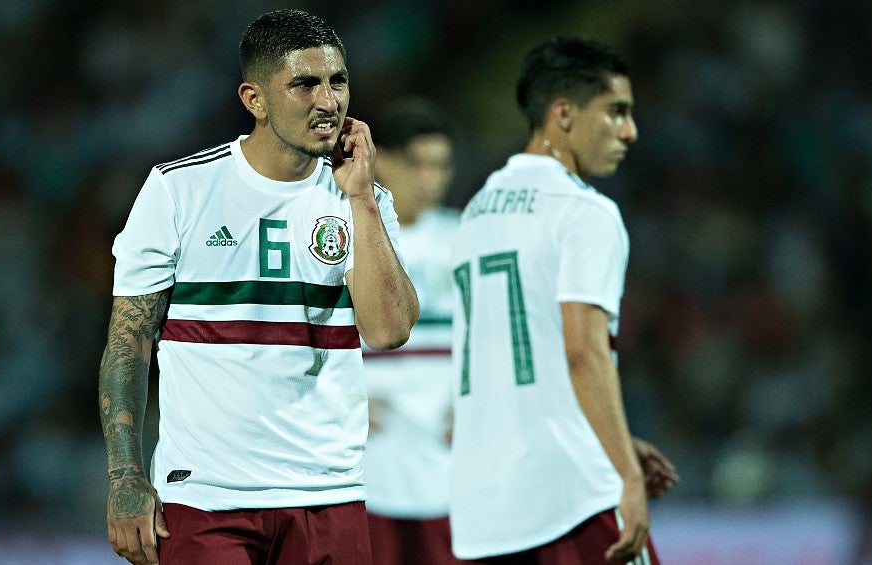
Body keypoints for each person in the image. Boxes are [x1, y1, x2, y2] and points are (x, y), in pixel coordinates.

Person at [98, 9, 418, 565]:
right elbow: (129, 342)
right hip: (207, 498)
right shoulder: (179, 192)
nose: (328, 101)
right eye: (304, 84)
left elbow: (388, 331)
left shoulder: (364, 200)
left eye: (337, 81)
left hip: (329, 495)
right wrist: (125, 475)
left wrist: (362, 196)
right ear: (254, 99)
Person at [448, 37, 678, 564]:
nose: (630, 132)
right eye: (616, 111)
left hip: (486, 508)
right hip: (573, 498)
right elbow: (583, 352)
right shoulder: (583, 213)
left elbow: (516, 362)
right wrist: (626, 473)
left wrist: (614, 435)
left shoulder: (475, 213)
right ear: (564, 113)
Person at [361, 97, 464, 565]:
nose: (431, 179)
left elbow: (493, 339)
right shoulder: (344, 234)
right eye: (418, 164)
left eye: (440, 165)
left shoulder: (466, 238)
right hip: (367, 450)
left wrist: (477, 402)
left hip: (449, 449)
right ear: (382, 161)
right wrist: (343, 398)